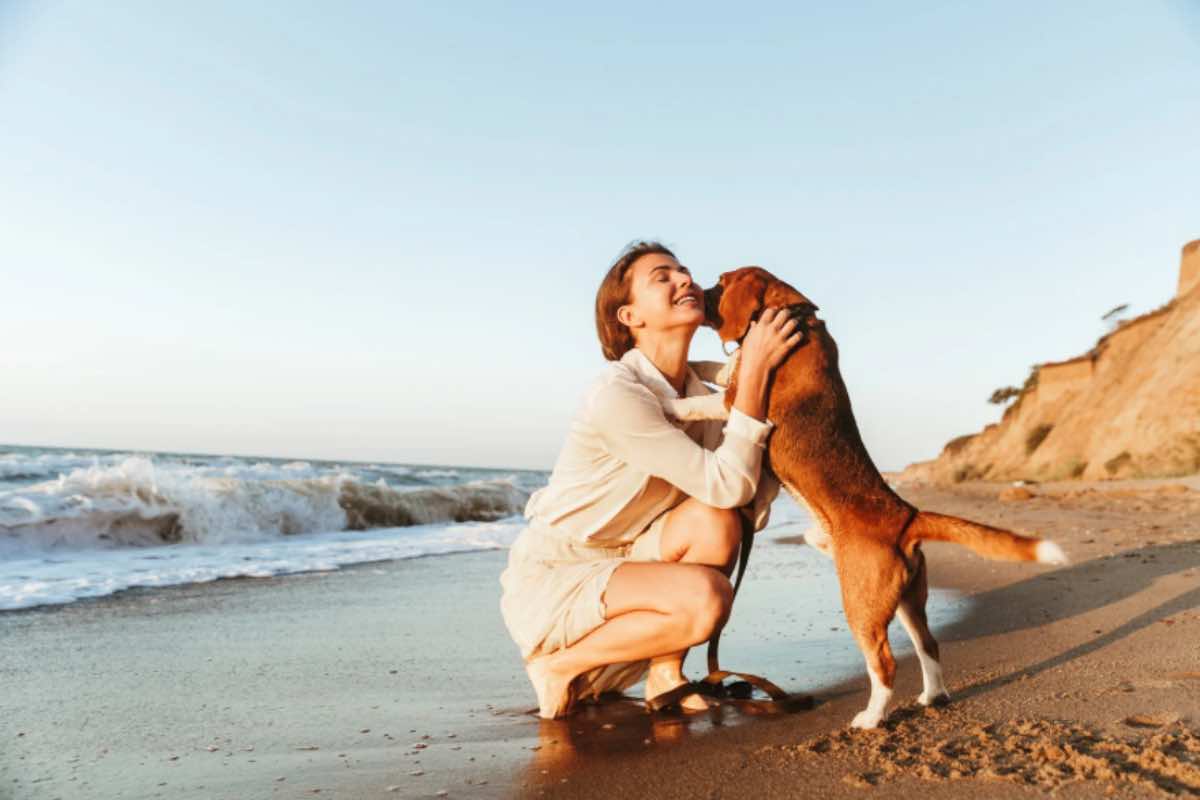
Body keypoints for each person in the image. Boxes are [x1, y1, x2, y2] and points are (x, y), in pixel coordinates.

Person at [499, 241, 801, 718]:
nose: (684, 279)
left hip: (634, 558)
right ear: (629, 317)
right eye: (662, 277)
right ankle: (560, 666)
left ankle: (665, 673)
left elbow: (738, 499)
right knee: (707, 600)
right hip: (561, 575)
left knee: (716, 522)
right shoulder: (616, 395)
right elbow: (731, 483)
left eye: (683, 272)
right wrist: (756, 370)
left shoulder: (697, 390)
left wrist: (758, 371)